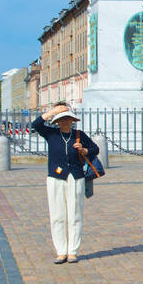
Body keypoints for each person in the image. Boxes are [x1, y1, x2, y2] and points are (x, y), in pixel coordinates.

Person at [31, 102, 99, 264]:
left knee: (75, 214)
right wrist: (53, 111)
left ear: (72, 120)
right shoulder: (51, 134)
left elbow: (95, 149)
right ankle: (61, 251)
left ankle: (73, 251)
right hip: (55, 177)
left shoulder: (79, 134)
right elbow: (36, 124)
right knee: (57, 215)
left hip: (76, 176)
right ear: (57, 121)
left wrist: (84, 150)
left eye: (67, 119)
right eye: (62, 119)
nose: (65, 122)